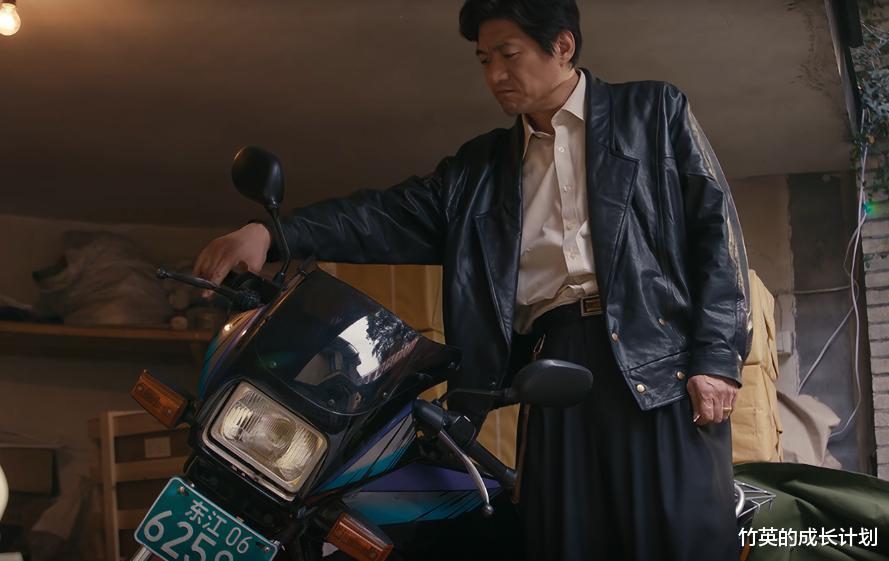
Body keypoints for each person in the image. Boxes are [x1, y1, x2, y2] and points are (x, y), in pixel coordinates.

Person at [194, 1, 751, 559]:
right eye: (485, 60)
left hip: (659, 361)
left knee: (678, 538)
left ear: (563, 46)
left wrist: (717, 357)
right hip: (552, 365)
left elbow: (715, 232)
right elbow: (383, 216)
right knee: (566, 540)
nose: (495, 75)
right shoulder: (479, 170)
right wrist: (271, 233)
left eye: (509, 55)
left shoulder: (652, 111)